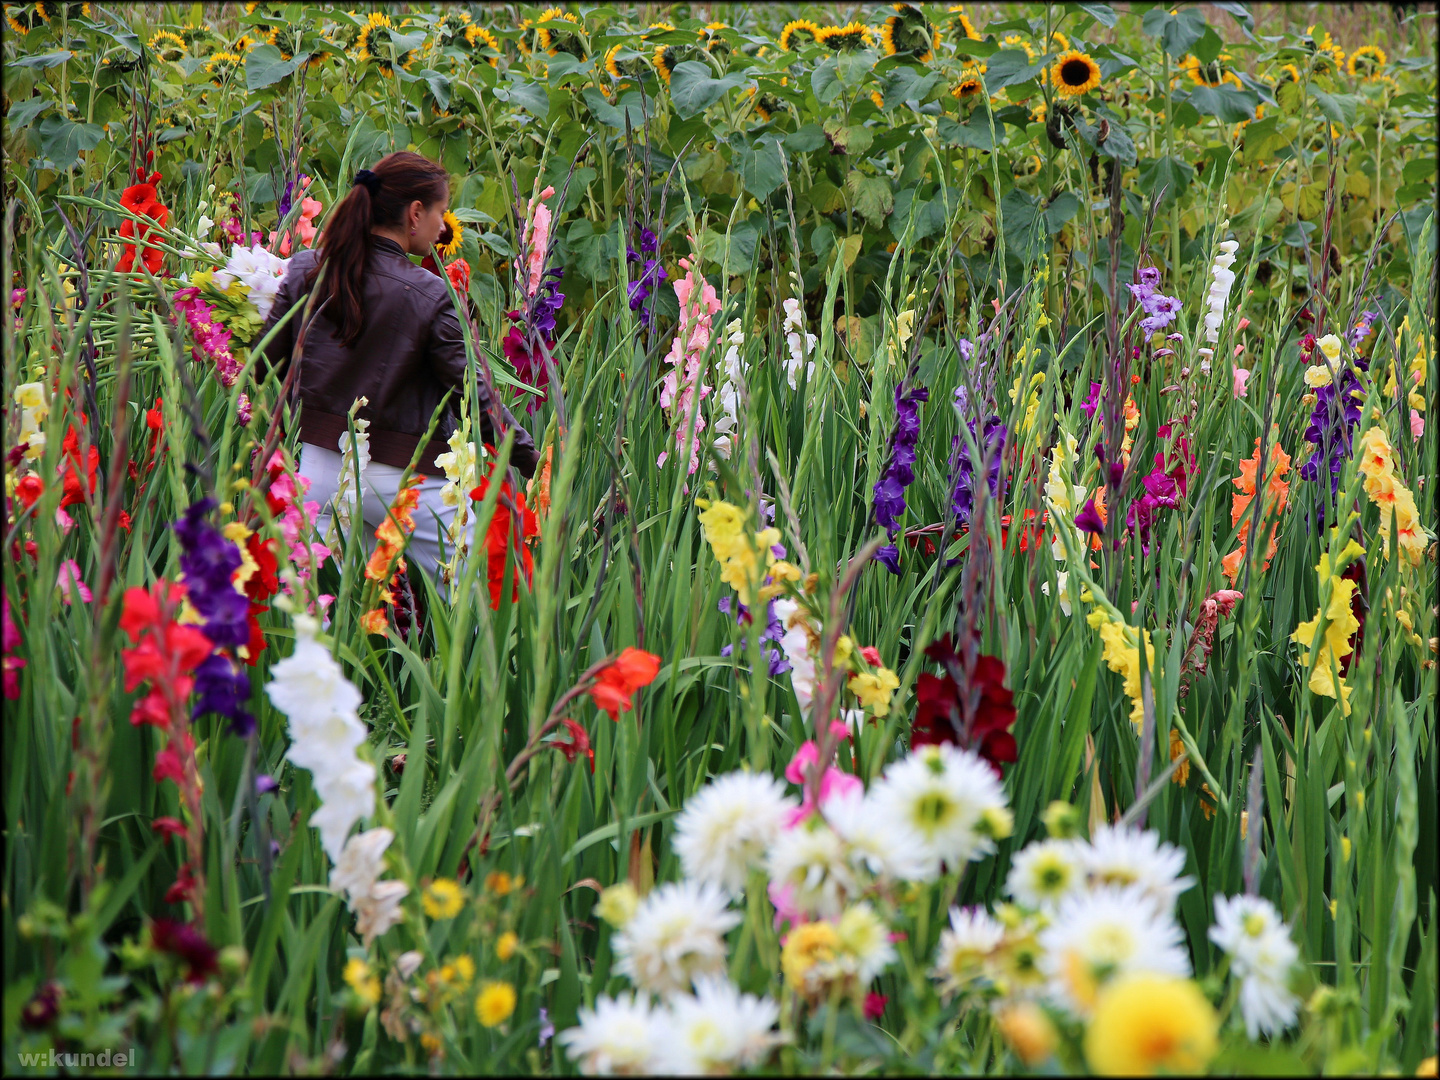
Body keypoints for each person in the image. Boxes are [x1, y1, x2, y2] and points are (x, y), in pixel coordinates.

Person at [261, 151, 538, 581]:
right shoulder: (430, 294)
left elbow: (264, 366)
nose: (443, 226)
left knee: (325, 613)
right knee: (470, 606)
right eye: (440, 212)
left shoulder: (305, 271)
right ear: (414, 213)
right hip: (408, 483)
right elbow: (474, 395)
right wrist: (530, 459)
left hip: (317, 473)